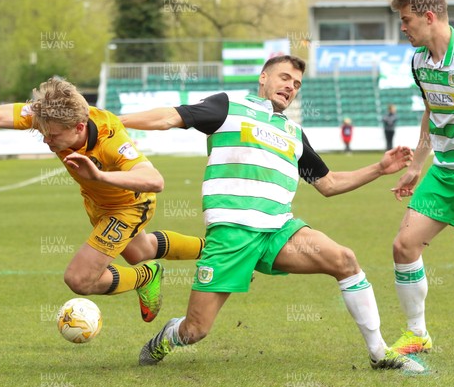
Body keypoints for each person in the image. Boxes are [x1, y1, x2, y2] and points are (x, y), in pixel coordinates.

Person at [120, 55, 424, 372]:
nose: (290, 87)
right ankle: (170, 335)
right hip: (232, 235)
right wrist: (115, 123)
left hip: (280, 232)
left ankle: (380, 353)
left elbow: (329, 183)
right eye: (284, 78)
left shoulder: (293, 133)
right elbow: (170, 117)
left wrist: (379, 168)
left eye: (296, 84)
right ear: (263, 78)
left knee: (345, 260)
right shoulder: (228, 108)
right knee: (195, 330)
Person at [0, 78, 205, 323]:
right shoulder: (50, 115)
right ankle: (213, 249)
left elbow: (155, 181)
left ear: (80, 127)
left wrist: (100, 177)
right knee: (139, 251)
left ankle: (147, 276)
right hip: (97, 202)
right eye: (43, 133)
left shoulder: (111, 139)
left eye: (53, 136)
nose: (47, 141)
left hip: (128, 205)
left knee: (79, 279)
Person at [389, 0, 454, 360]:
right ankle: (417, 335)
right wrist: (417, 164)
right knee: (404, 246)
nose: (403, 27)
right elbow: (432, 110)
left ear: (429, 17)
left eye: (406, 19)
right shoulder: (419, 62)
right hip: (445, 169)